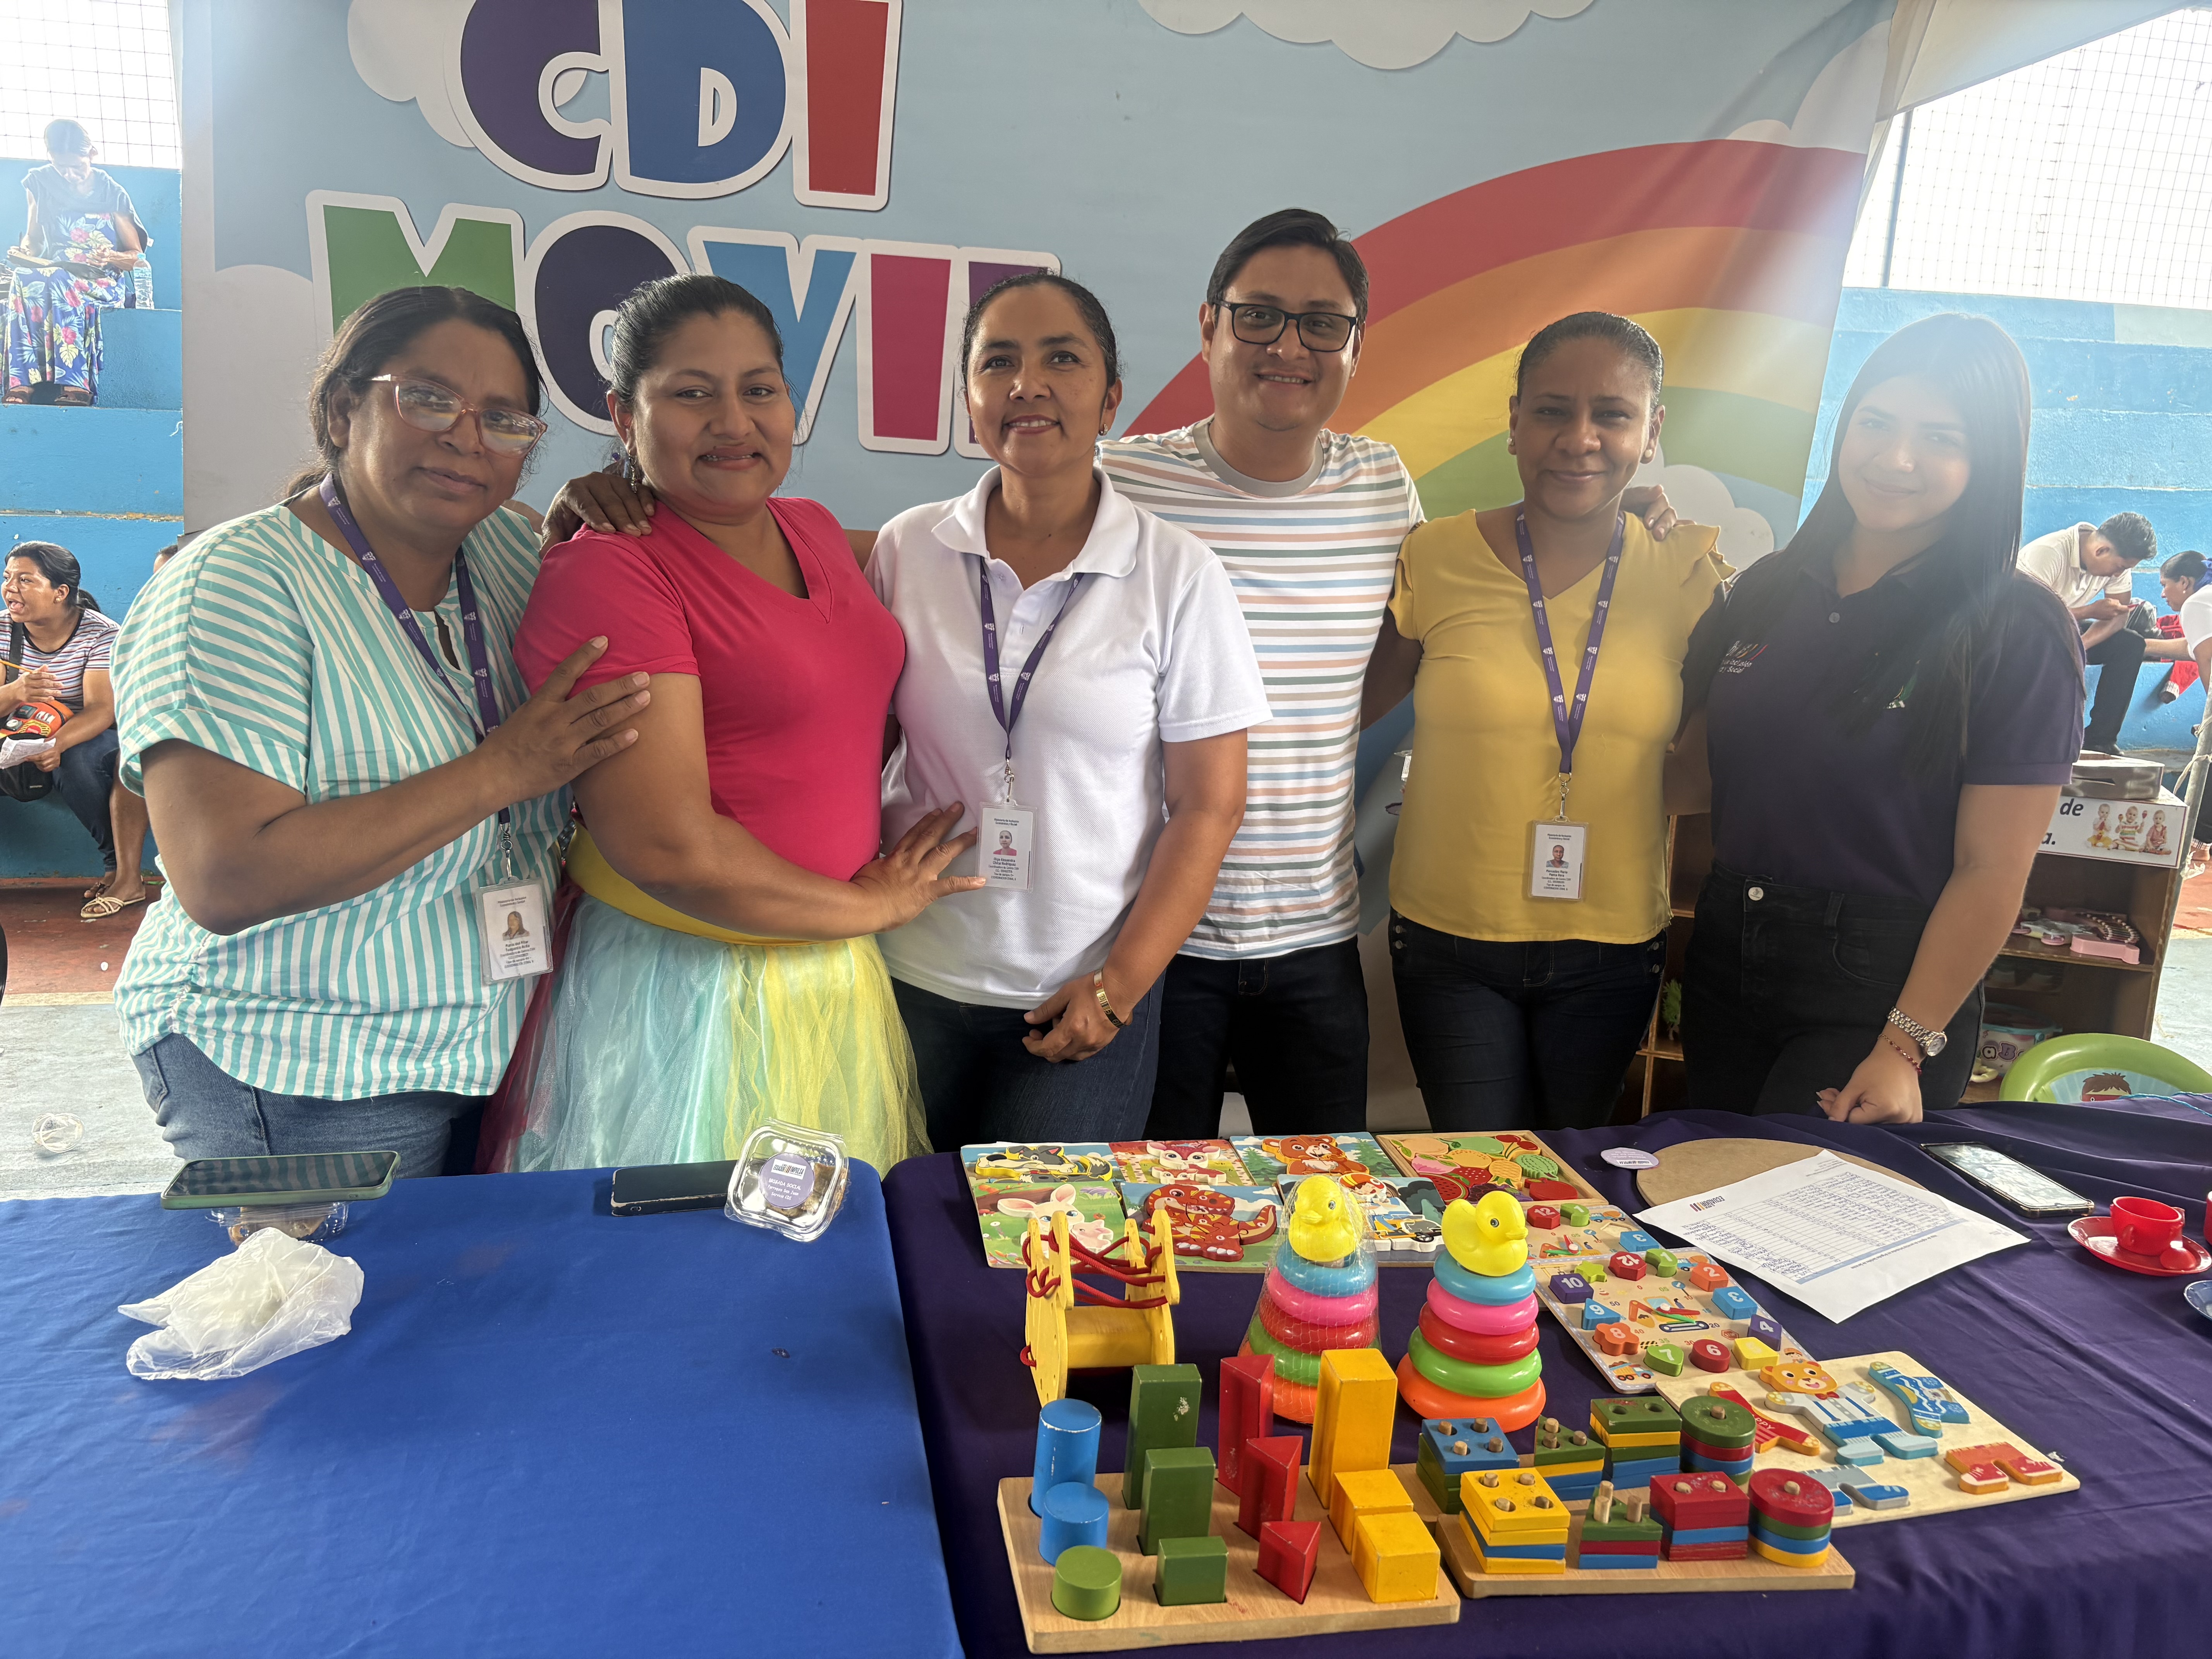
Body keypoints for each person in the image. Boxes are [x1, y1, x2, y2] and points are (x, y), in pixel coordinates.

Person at [110, 285, 651, 1177]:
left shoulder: (510, 555)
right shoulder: (233, 587)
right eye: (429, 400)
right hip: (301, 1062)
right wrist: (500, 772)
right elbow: (224, 876)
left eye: (504, 419)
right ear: (341, 410)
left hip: (487, 1044)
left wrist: (604, 510)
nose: (467, 438)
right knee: (325, 1277)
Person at [489, 273, 976, 1177]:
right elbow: (668, 847)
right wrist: (872, 907)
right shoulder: (610, 571)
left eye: (759, 389)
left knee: (820, 1247)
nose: (733, 421)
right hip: (688, 994)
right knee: (691, 1251)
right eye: (691, 393)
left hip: (826, 976)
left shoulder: (814, 530)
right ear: (625, 416)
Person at [874, 272, 1270, 1147]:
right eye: (998, 362)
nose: (1028, 384)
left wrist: (1118, 988)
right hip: (909, 973)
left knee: (1040, 1231)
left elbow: (1209, 803)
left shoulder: (1176, 573)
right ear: (969, 398)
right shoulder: (908, 548)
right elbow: (863, 744)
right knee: (902, 1217)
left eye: (1062, 359)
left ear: (1111, 398)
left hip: (1076, 992)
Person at [1673, 313, 2082, 1123]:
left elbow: (1992, 869)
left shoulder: (2016, 626)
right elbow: (1691, 772)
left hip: (1880, 988)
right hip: (1725, 953)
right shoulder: (1766, 588)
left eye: (1940, 438)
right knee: (1707, 1189)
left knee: (1796, 1201)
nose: (1896, 458)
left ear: (1989, 457)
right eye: (1876, 423)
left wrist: (1903, 1048)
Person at [1362, 313, 1724, 1132]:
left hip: (1612, 945)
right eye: (1553, 410)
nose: (1580, 438)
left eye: (1613, 415)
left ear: (1652, 432)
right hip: (1449, 942)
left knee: (1570, 1175)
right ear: (1515, 421)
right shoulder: (1434, 555)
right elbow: (1342, 711)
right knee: (1480, 1169)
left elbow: (1703, 769)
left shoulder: (1688, 572)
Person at [5, 119, 149, 405]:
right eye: (62, 167)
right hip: (56, 269)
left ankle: (76, 384)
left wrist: (112, 256)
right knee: (23, 277)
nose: (69, 175)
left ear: (91, 154)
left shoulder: (111, 192)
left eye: (76, 167)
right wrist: (24, 251)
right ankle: (21, 383)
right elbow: (35, 239)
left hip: (101, 278)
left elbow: (137, 257)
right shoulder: (40, 183)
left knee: (59, 279)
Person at [2, 543, 122, 878]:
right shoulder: (2, 629)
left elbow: (101, 710)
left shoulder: (101, 634)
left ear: (60, 592)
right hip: (18, 731)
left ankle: (117, 866)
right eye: (7, 578)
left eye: (25, 580)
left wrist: (56, 745)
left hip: (81, 734)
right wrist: (16, 692)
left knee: (78, 761)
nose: (10, 588)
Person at [84, 537, 183, 921]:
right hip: (167, 729)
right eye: (155, 580)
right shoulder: (144, 633)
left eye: (170, 578)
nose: (159, 589)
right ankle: (128, 879)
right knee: (135, 754)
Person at [2016, 511, 2157, 754]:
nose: (2118, 574)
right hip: (2022, 629)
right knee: (2043, 644)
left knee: (2130, 645)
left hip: (2066, 627)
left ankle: (2100, 739)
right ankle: (2035, 738)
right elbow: (2028, 615)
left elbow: (2119, 616)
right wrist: (2089, 611)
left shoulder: (2117, 562)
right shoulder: (2049, 553)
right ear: (2101, 550)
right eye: (2120, 568)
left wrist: (2080, 645)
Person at [2144, 550, 2206, 704]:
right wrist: (2144, 646)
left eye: (2164, 585)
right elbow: (2193, 648)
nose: (2163, 594)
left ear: (2184, 582)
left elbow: (2203, 657)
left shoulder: (2194, 604)